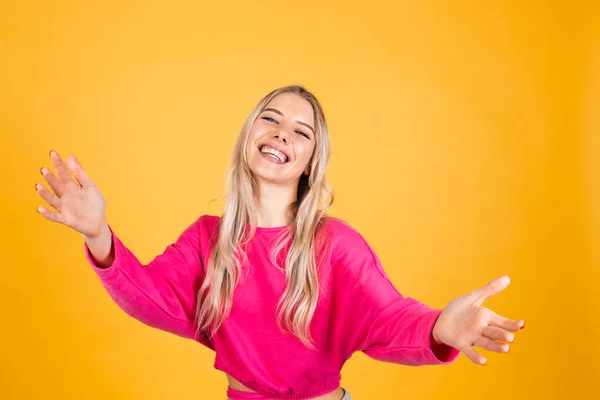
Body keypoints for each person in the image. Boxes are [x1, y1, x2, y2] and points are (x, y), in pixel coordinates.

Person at [35, 85, 525, 400]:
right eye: (270, 119)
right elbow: (151, 299)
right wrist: (98, 234)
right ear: (250, 135)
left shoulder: (336, 244)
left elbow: (388, 318)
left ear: (312, 161)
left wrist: (440, 327)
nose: (281, 134)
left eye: (301, 132)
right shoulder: (207, 239)